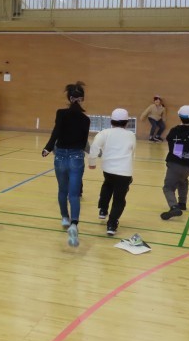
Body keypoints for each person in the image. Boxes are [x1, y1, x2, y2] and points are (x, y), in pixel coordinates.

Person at [42, 81, 90, 247]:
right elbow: (83, 142)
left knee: (62, 190)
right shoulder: (85, 119)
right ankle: (74, 224)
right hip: (76, 157)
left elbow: (56, 132)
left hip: (60, 156)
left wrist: (48, 148)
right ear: (82, 99)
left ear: (69, 98)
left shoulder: (61, 113)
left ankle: (64, 217)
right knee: (74, 194)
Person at [88, 108, 136, 236]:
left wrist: (92, 163)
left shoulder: (104, 133)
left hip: (108, 169)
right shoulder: (131, 135)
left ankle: (103, 210)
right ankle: (112, 224)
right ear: (126, 122)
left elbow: (94, 147)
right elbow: (132, 152)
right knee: (119, 199)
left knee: (108, 185)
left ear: (111, 121)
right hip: (124, 172)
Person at [160, 105, 189, 220]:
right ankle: (182, 203)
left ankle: (174, 207)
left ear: (179, 117)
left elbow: (170, 142)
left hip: (175, 164)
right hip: (188, 166)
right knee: (183, 181)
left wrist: (180, 145)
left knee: (168, 188)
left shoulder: (174, 131)